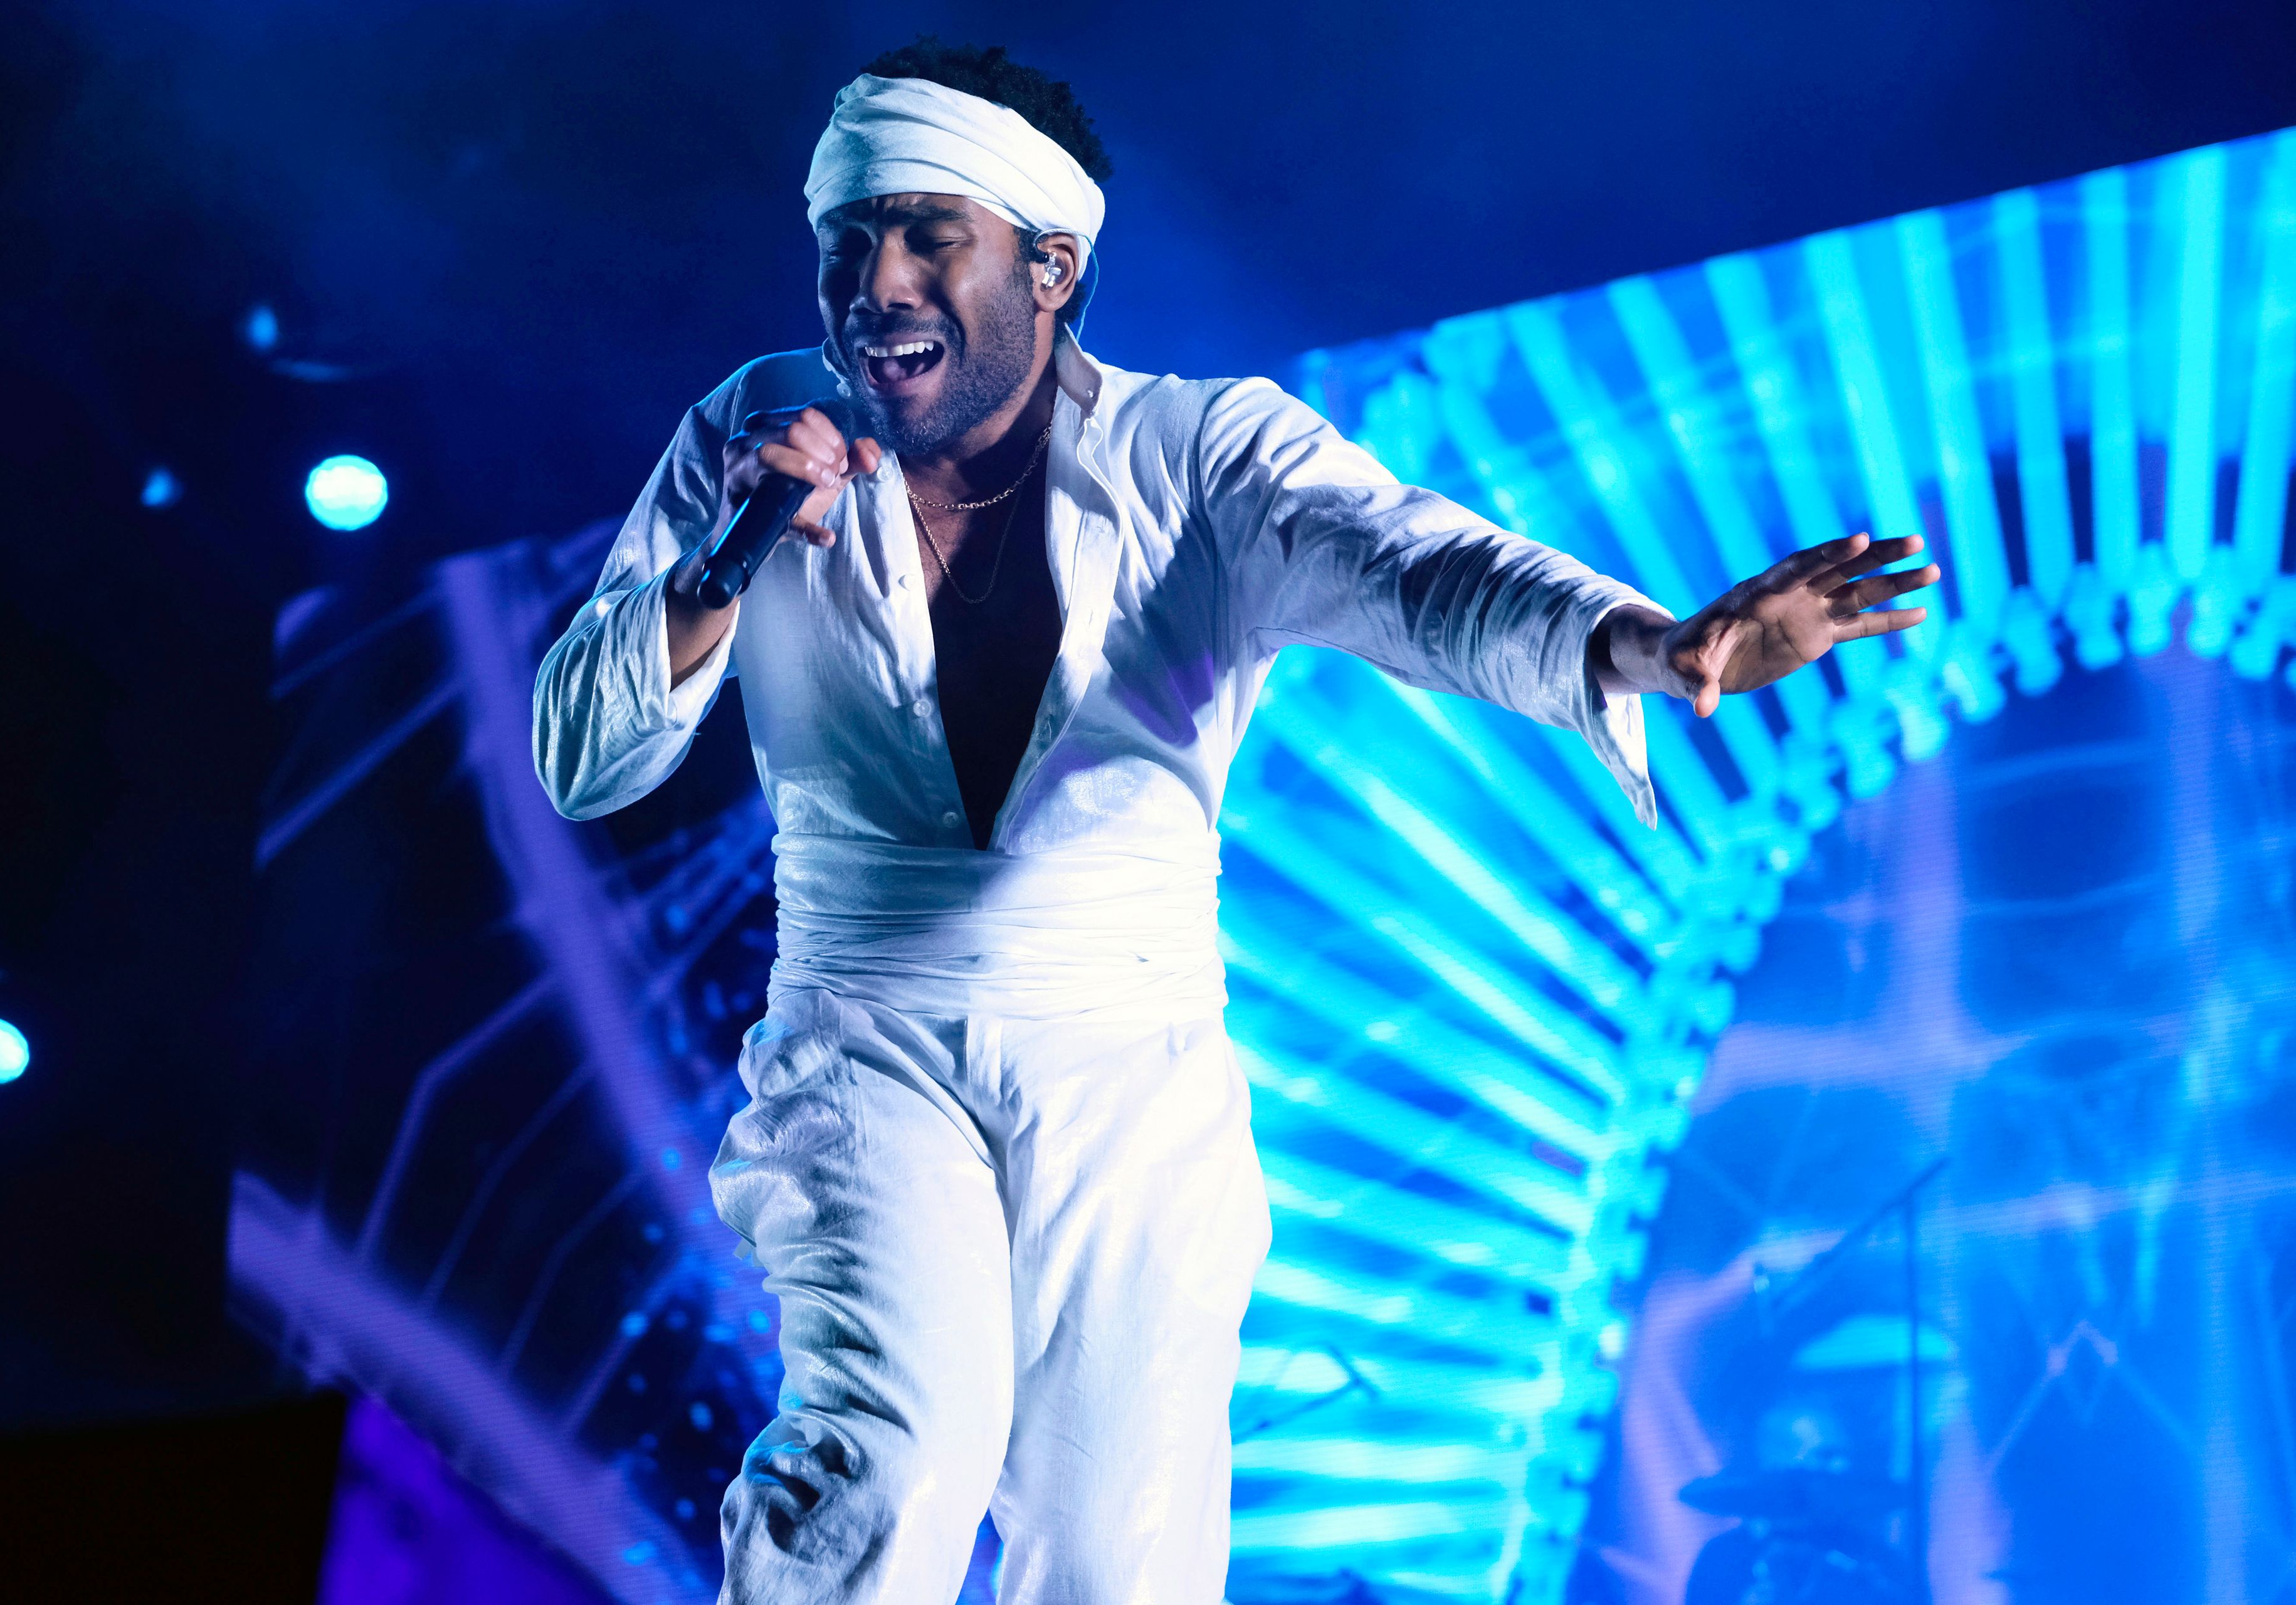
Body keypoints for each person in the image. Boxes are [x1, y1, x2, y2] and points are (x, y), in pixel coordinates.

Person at [532, 40, 1937, 1604]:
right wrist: (718, 564)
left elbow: (1422, 571)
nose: (876, 282)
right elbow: (582, 757)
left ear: (1051, 265)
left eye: (932, 234)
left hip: (1130, 1062)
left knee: (1126, 1556)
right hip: (864, 1035)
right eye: (848, 241)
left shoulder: (1201, 454)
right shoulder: (754, 434)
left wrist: (1650, 648)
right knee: (890, 1457)